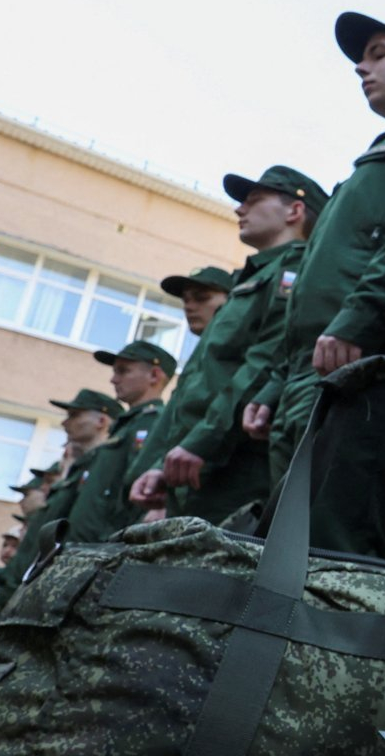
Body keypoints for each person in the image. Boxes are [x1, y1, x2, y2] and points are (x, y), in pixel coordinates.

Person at [244, 14, 385, 559]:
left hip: (369, 362)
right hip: (313, 372)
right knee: (282, 552)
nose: (362, 67)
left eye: (380, 52)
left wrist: (359, 320)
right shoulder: (368, 164)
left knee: (338, 549)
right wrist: (276, 388)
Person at [134, 169, 325, 523]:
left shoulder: (295, 268)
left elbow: (265, 362)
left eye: (253, 201)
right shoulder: (249, 282)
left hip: (235, 460)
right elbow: (199, 386)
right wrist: (167, 461)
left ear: (294, 211)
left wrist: (199, 444)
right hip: (198, 465)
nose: (239, 210)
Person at [0, 389, 121, 632]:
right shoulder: (81, 471)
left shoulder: (106, 463)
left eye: (75, 415)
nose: (66, 423)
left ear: (102, 421)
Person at [125, 265, 231, 521]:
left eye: (202, 298)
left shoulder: (224, 356)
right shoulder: (201, 355)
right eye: (185, 300)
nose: (189, 306)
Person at [62, 341, 174, 543]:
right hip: (86, 547)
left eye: (123, 371)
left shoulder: (153, 421)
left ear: (154, 375)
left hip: (108, 546)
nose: (114, 379)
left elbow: (141, 489)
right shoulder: (124, 427)